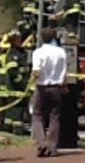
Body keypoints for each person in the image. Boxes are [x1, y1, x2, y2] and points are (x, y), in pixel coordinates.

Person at [29, 26, 68, 157]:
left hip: (41, 87)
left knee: (37, 115)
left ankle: (41, 143)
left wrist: (32, 81)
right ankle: (51, 147)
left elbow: (36, 71)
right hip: (56, 87)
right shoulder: (61, 52)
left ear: (41, 38)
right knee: (54, 117)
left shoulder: (38, 53)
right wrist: (64, 85)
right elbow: (64, 71)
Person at [0, 31, 30, 135]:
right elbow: (12, 71)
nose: (21, 41)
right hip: (16, 88)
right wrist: (22, 83)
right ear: (14, 41)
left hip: (17, 87)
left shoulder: (19, 53)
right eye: (18, 39)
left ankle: (8, 127)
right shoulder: (13, 54)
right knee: (18, 109)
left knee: (12, 109)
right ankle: (17, 129)